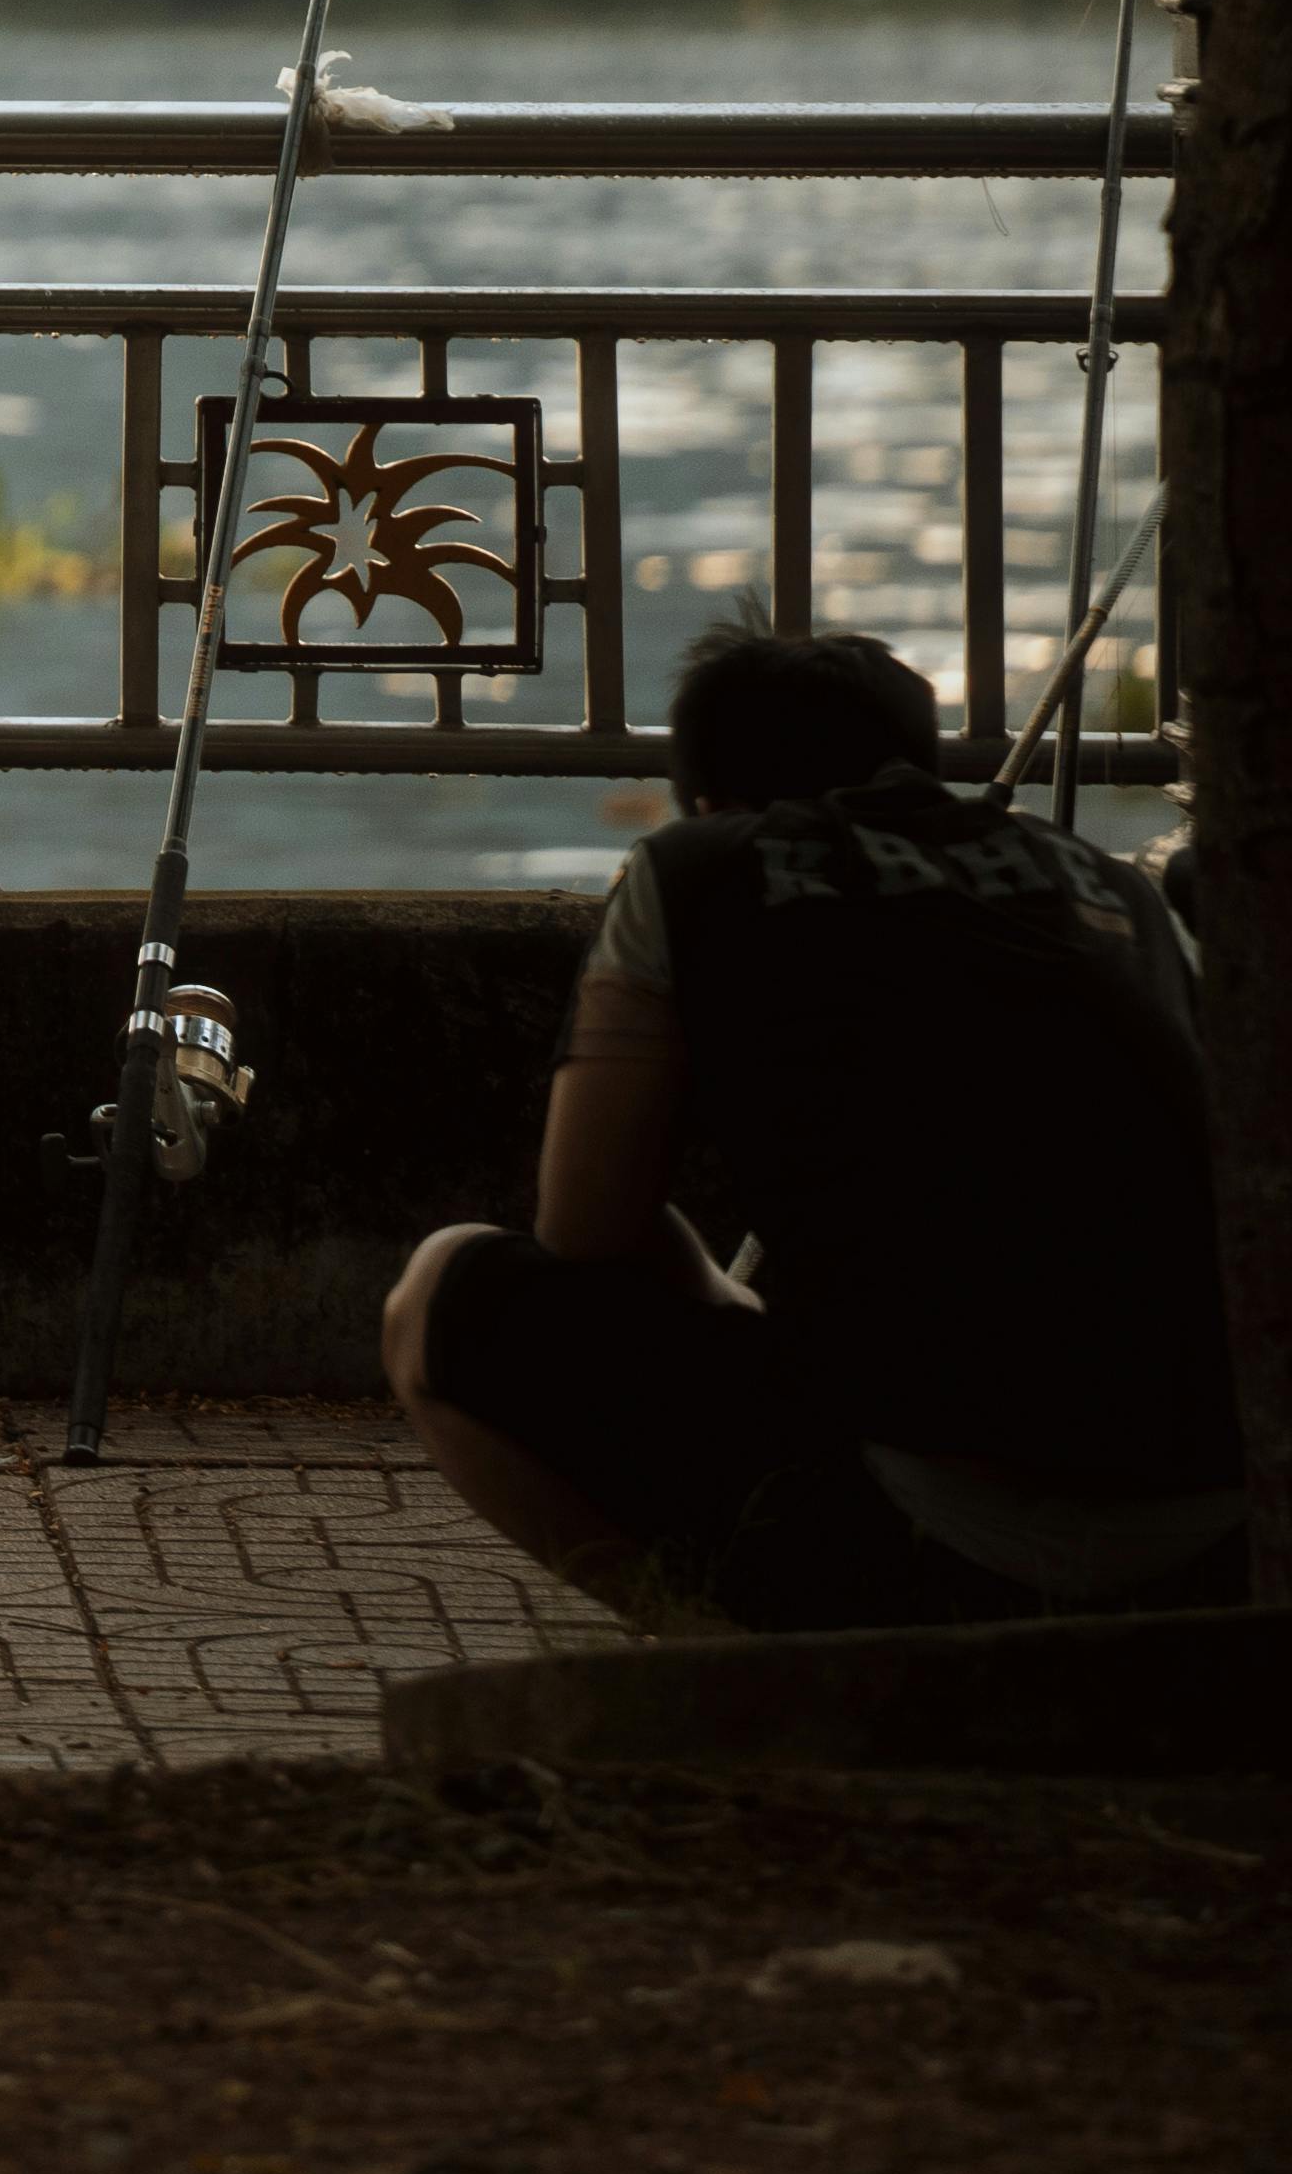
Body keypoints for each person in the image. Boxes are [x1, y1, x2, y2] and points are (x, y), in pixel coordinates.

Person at [379, 622, 1244, 1627]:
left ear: (707, 795)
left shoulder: (692, 869)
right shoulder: (1116, 888)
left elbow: (590, 1229)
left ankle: (742, 1666)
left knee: (446, 1292)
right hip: (1218, 1514)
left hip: (937, 1527)